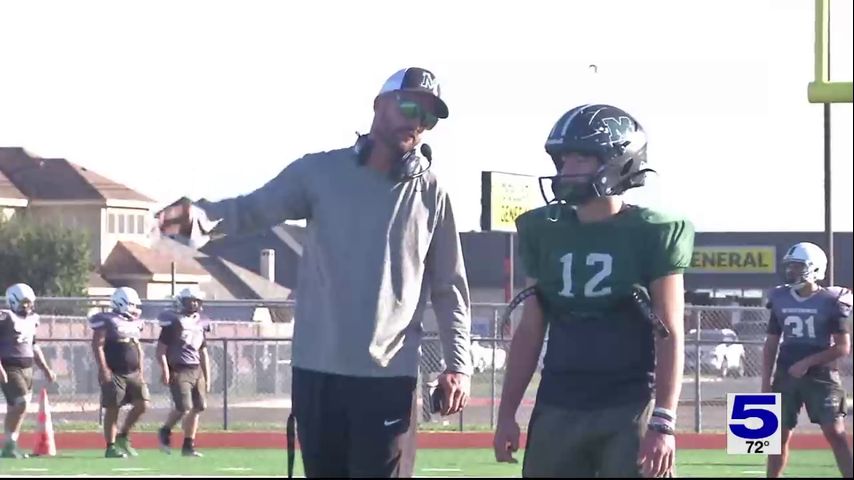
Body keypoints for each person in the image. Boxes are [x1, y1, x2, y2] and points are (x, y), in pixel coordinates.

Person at [155, 66, 473, 478]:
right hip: (317, 375)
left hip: (389, 380)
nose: (417, 122)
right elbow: (252, 209)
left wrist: (458, 365)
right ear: (379, 106)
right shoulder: (318, 173)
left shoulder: (432, 193)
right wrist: (198, 218)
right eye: (410, 107)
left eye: (428, 117)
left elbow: (450, 289)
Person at [493, 104, 694, 478]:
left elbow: (669, 330)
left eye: (581, 158)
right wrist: (507, 413)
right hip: (558, 404)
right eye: (563, 159)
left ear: (620, 161)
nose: (566, 169)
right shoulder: (544, 230)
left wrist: (664, 420)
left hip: (629, 404)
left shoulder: (653, 232)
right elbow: (530, 330)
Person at [762, 242, 852, 478]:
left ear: (815, 268)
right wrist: (764, 383)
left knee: (836, 433)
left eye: (797, 266)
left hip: (822, 375)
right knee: (776, 436)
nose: (791, 271)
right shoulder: (780, 297)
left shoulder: (832, 300)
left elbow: (842, 347)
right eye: (790, 266)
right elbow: (771, 344)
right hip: (786, 374)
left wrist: (807, 363)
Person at [89, 286, 150, 458]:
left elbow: (138, 346)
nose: (135, 309)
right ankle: (111, 446)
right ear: (122, 303)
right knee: (113, 408)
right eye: (132, 305)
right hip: (114, 371)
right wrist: (103, 369)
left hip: (133, 372)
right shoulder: (108, 320)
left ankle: (123, 436)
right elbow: (97, 345)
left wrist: (141, 369)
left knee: (143, 404)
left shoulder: (135, 323)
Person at [0, 283, 57, 459]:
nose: (27, 306)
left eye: (29, 302)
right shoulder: (6, 317)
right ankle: (9, 445)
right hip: (10, 366)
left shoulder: (33, 319)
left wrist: (46, 368)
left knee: (16, 407)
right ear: (13, 301)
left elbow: (33, 346)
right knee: (21, 403)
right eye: (23, 302)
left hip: (27, 367)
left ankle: (10, 445)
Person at [156, 287, 211, 457]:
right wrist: (165, 370)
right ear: (182, 301)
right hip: (179, 368)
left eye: (196, 301)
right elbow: (160, 350)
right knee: (183, 407)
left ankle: (188, 445)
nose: (193, 304)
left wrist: (207, 376)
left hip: (196, 369)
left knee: (199, 406)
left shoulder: (200, 323)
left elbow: (203, 351)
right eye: (190, 300)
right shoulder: (174, 322)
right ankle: (165, 430)